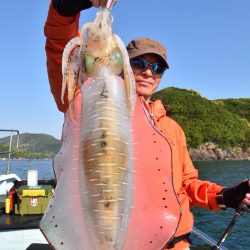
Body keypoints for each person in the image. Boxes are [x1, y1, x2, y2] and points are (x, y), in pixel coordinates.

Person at [44, 1, 250, 249]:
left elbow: (185, 185)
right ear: (123, 66)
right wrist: (65, 9)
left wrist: (225, 195)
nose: (148, 72)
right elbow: (60, 51)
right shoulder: (85, 102)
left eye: (157, 67)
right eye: (139, 63)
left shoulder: (172, 129)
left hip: (176, 244)